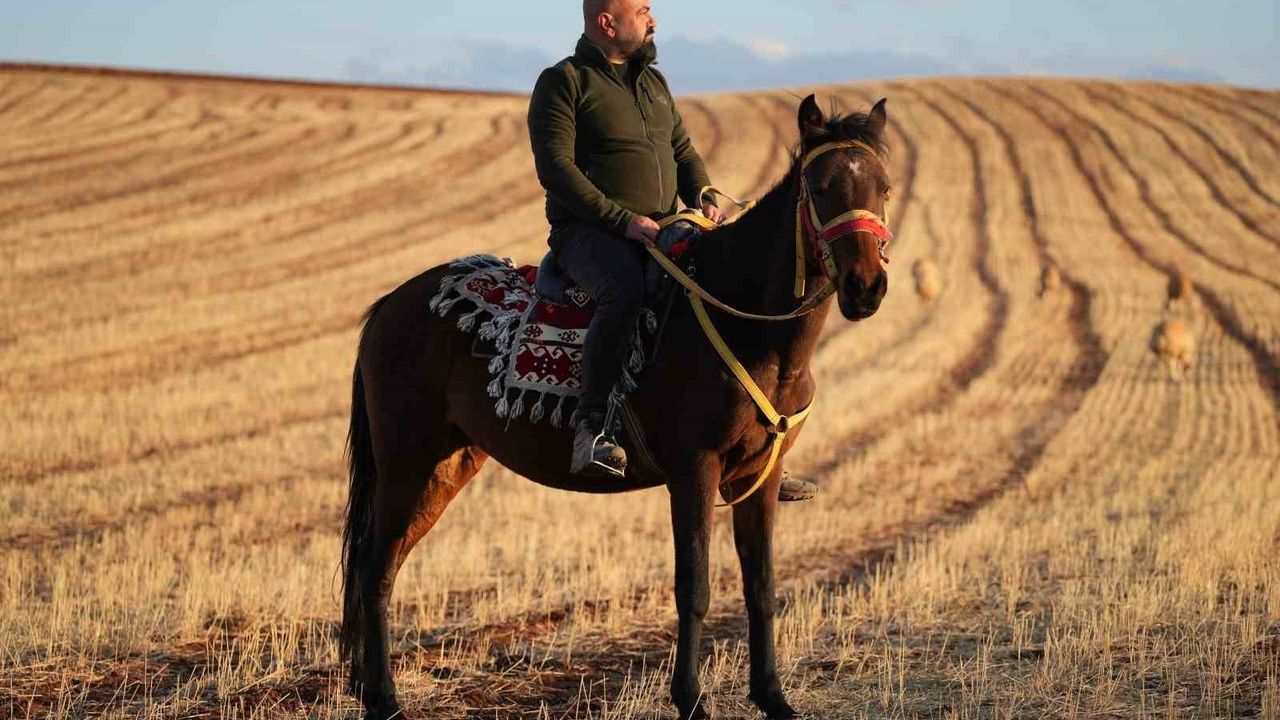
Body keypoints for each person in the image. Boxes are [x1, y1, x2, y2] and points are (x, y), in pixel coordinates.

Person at [526, 0, 819, 500]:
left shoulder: (654, 84)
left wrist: (702, 194)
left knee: (725, 285)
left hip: (661, 229)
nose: (653, 19)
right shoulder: (564, 82)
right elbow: (556, 168)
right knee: (623, 291)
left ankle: (753, 448)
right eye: (642, 10)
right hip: (589, 233)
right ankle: (593, 428)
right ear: (607, 23)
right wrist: (620, 221)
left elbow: (681, 150)